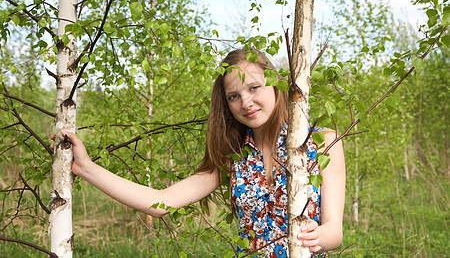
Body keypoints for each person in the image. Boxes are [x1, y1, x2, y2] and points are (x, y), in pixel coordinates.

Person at [53, 48, 345, 257]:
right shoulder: (233, 156)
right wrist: (87, 168)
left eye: (255, 87)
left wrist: (318, 236)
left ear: (276, 86)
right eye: (234, 96)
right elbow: (161, 202)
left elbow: (335, 231)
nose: (246, 102)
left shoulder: (322, 142)